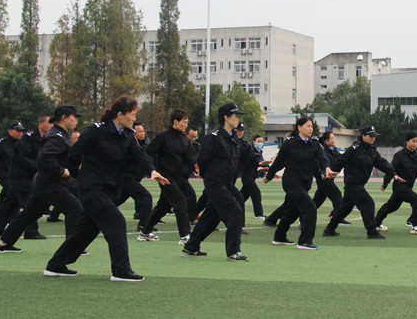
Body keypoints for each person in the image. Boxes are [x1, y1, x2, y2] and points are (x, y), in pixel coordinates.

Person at [44, 96, 168, 281]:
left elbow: (139, 155)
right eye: (132, 114)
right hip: (91, 188)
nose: (134, 118)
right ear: (120, 114)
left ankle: (55, 265)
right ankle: (120, 270)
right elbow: (75, 154)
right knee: (116, 222)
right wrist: (76, 176)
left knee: (87, 230)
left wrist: (152, 170)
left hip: (109, 189)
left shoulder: (127, 135)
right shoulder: (96, 131)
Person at [0, 105, 85, 253]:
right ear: (64, 117)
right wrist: (63, 171)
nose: (76, 120)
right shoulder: (56, 136)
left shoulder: (59, 134)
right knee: (74, 209)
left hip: (43, 182)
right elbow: (45, 158)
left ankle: (4, 243)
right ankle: (72, 248)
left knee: (29, 213)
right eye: (74, 117)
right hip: (50, 183)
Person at [181, 102, 259, 261]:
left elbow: (245, 156)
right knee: (235, 210)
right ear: (226, 117)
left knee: (212, 216)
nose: (238, 119)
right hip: (215, 182)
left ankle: (191, 246)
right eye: (235, 115)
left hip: (227, 183)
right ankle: (233, 251)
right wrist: (207, 177)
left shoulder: (233, 138)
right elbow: (202, 160)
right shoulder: (213, 137)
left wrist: (262, 162)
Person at [263, 117, 333, 249]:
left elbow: (321, 159)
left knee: (292, 210)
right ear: (299, 127)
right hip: (291, 182)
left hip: (305, 183)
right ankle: (305, 241)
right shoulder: (290, 143)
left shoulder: (315, 144)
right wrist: (269, 176)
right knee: (310, 207)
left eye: (312, 126)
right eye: (307, 126)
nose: (311, 128)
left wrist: (326, 170)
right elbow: (279, 162)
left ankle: (279, 237)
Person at [323, 126, 399, 239]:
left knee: (345, 208)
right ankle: (371, 231)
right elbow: (341, 161)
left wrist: (393, 173)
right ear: (363, 136)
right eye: (370, 136)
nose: (373, 138)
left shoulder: (372, 151)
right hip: (352, 183)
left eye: (374, 136)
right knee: (368, 203)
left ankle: (329, 229)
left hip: (359, 184)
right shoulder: (354, 149)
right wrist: (328, 171)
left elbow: (382, 163)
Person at [139, 109, 196, 244]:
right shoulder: (162, 137)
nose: (186, 125)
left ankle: (145, 232)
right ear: (175, 122)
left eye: (187, 122)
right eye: (184, 122)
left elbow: (191, 157)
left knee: (164, 206)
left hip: (179, 178)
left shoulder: (184, 139)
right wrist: (154, 170)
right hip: (165, 177)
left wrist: (196, 167)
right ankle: (185, 236)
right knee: (180, 201)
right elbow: (147, 154)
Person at [0, 114, 53, 240]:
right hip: (21, 175)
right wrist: (41, 167)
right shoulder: (28, 138)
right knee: (29, 203)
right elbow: (24, 158)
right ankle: (31, 231)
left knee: (11, 202)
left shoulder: (49, 138)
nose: (52, 126)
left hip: (33, 175)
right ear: (40, 124)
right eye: (49, 123)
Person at [374, 131, 417, 235]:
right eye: (413, 141)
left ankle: (375, 223)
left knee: (391, 206)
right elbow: (391, 169)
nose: (415, 144)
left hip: (408, 187)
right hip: (400, 187)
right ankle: (416, 226)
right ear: (407, 141)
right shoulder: (399, 155)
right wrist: (385, 184)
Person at [311, 131, 351, 225]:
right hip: (324, 178)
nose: (334, 139)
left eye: (334, 137)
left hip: (330, 178)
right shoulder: (322, 150)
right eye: (332, 138)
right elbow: (317, 163)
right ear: (326, 140)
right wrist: (321, 173)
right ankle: (337, 217)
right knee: (337, 196)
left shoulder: (334, 150)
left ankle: (303, 216)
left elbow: (342, 159)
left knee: (317, 201)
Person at [237, 124, 266, 221]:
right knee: (256, 193)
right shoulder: (251, 150)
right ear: (254, 142)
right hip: (247, 176)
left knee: (241, 197)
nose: (260, 143)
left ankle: (227, 210)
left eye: (262, 141)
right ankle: (259, 214)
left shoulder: (259, 152)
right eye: (258, 141)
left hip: (251, 176)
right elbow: (259, 161)